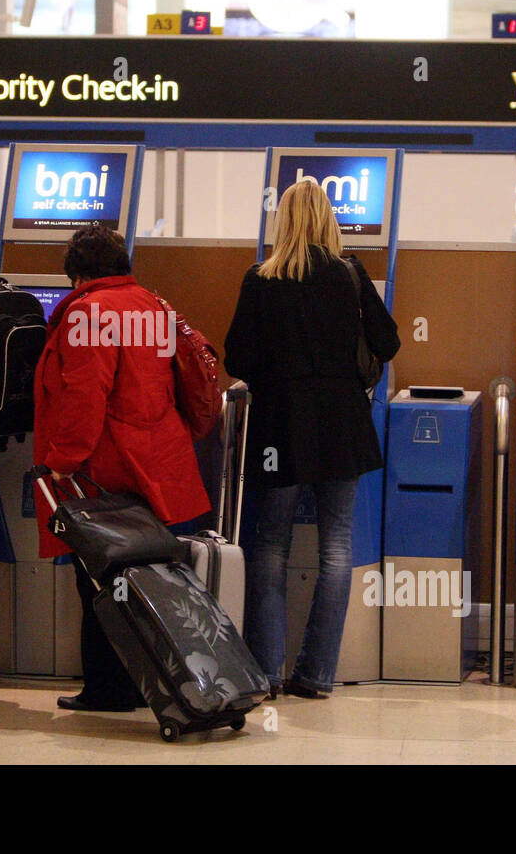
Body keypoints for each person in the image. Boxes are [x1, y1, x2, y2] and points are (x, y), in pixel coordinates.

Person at [224, 180, 400, 699]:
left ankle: (266, 672)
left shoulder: (261, 278)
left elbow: (237, 357)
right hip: (341, 422)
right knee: (337, 545)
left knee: (271, 543)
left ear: (282, 221)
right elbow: (387, 341)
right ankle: (318, 673)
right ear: (328, 219)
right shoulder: (349, 273)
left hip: (280, 423)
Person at [34, 225, 210, 712]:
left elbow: (85, 396)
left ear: (78, 273)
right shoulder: (151, 303)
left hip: (107, 469)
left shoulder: (90, 312)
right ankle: (141, 682)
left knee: (99, 575)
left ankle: (108, 688)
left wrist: (59, 463)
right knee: (144, 576)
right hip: (158, 459)